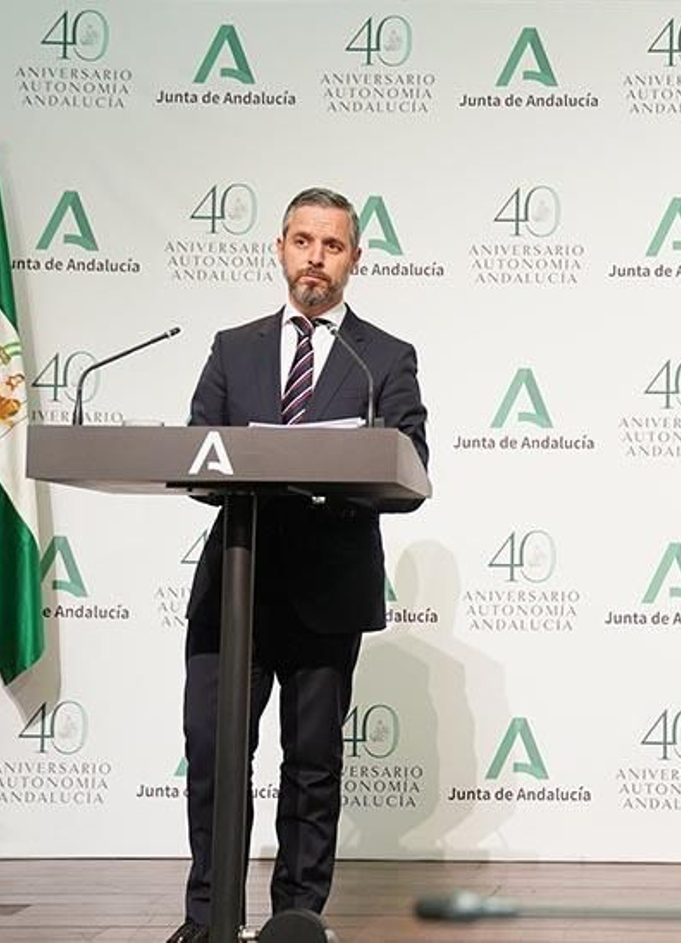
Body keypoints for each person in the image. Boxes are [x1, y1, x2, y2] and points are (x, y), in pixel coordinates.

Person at [169, 187, 428, 943]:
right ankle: (208, 918)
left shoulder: (382, 358)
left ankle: (296, 919)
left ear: (354, 259)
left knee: (312, 765)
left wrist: (330, 473)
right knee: (213, 754)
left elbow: (411, 468)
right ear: (279, 247)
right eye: (303, 240)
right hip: (235, 585)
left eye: (333, 245)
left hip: (327, 590)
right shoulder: (233, 347)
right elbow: (195, 453)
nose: (316, 257)